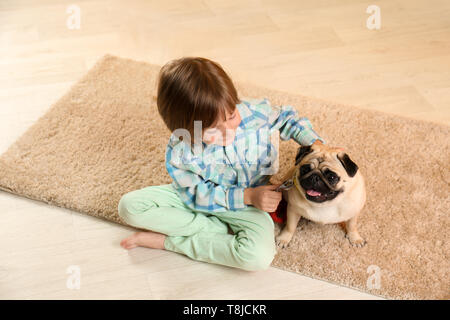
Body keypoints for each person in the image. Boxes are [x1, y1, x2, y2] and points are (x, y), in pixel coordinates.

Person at [118, 57, 325, 271]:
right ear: (185, 129)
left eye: (231, 116)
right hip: (204, 198)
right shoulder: (180, 150)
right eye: (212, 129)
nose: (228, 132)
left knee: (257, 257)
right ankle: (206, 230)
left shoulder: (253, 113)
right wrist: (248, 196)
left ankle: (175, 238)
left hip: (247, 206)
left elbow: (288, 119)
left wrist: (317, 145)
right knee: (129, 208)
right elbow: (195, 193)